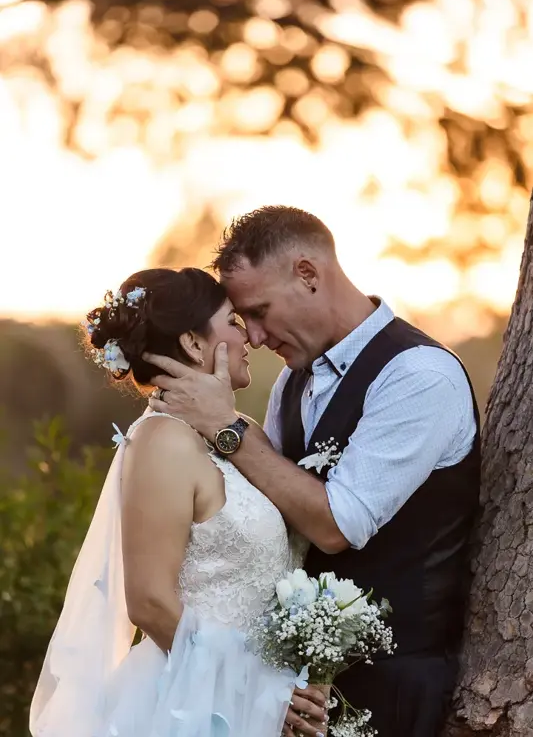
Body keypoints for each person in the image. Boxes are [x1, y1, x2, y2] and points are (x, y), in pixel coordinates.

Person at [146, 206, 481, 737]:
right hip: (292, 695)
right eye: (240, 320)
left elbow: (336, 526)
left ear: (308, 274)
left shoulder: (419, 376)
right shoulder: (292, 383)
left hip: (394, 689)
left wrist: (227, 428)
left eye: (258, 311)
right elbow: (268, 507)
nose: (253, 337)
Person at [30, 267, 327, 737]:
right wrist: (254, 689)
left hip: (255, 701)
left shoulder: (236, 431)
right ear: (192, 343)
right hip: (193, 707)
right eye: (233, 321)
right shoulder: (163, 439)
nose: (250, 335)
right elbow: (148, 602)